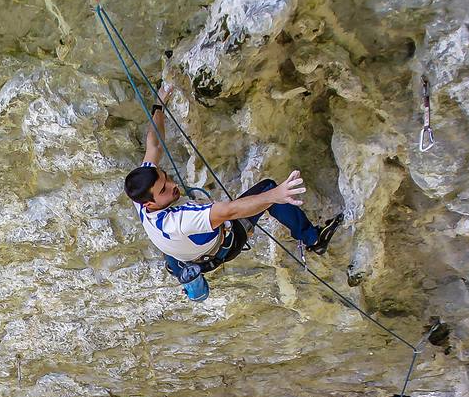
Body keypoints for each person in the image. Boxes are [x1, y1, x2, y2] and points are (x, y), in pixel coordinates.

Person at [123, 83, 344, 303]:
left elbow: (154, 146)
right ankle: (313, 239)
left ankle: (183, 268)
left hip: (180, 255)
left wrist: (158, 104)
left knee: (176, 252)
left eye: (167, 178)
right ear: (150, 205)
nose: (172, 185)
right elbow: (230, 211)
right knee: (266, 188)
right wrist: (275, 195)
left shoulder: (141, 195)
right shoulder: (181, 220)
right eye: (164, 190)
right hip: (222, 247)